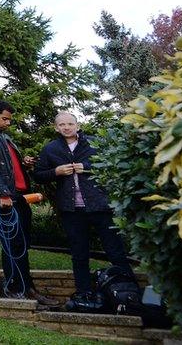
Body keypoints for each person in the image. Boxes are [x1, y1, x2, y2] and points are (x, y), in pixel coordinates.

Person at [34, 111, 132, 304]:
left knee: (115, 251)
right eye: (62, 124)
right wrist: (56, 171)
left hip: (100, 207)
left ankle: (129, 293)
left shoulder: (93, 143)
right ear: (56, 128)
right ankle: (84, 293)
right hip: (72, 210)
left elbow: (111, 165)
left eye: (70, 123)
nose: (66, 127)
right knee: (79, 254)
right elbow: (38, 174)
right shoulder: (51, 149)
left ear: (77, 126)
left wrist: (86, 166)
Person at [0, 100, 59, 307]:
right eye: (4, 118)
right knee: (12, 245)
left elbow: (8, 168)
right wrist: (2, 194)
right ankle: (16, 288)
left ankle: (25, 286)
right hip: (6, 199)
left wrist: (24, 163)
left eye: (10, 119)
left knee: (22, 245)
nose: (8, 123)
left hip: (19, 197)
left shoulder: (4, 138)